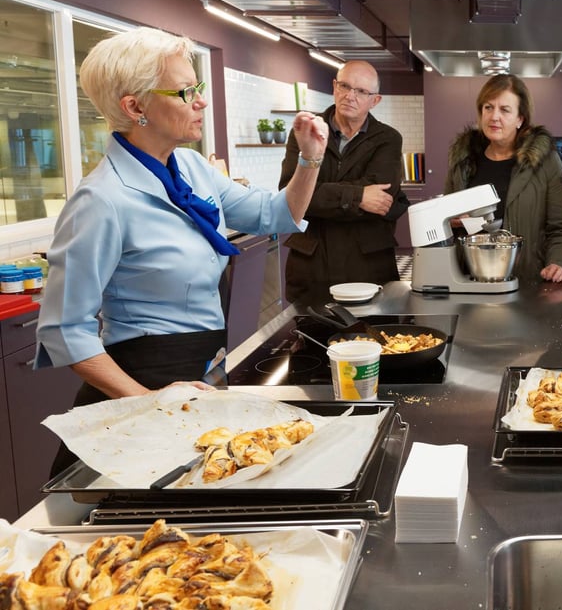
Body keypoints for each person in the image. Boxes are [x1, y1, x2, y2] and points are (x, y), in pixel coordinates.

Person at [35, 27, 327, 472]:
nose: (201, 101)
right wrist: (149, 400)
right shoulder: (101, 200)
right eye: (185, 91)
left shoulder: (190, 167)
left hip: (196, 376)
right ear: (135, 108)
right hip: (143, 382)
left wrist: (309, 159)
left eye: (198, 87)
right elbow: (64, 329)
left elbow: (274, 215)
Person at [279, 59, 407, 303]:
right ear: (334, 87)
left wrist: (319, 194)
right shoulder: (306, 131)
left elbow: (382, 198)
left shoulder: (388, 139)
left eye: (361, 91)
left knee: (372, 326)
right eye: (345, 86)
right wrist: (359, 196)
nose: (350, 96)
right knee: (312, 326)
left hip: (367, 265)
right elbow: (290, 194)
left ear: (375, 100)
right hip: (312, 267)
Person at [444, 74, 562, 283]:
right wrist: (449, 221)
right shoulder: (464, 161)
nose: (494, 116)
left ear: (520, 119)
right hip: (469, 281)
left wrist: (558, 262)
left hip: (527, 281)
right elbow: (446, 219)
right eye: (488, 107)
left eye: (505, 110)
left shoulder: (546, 161)